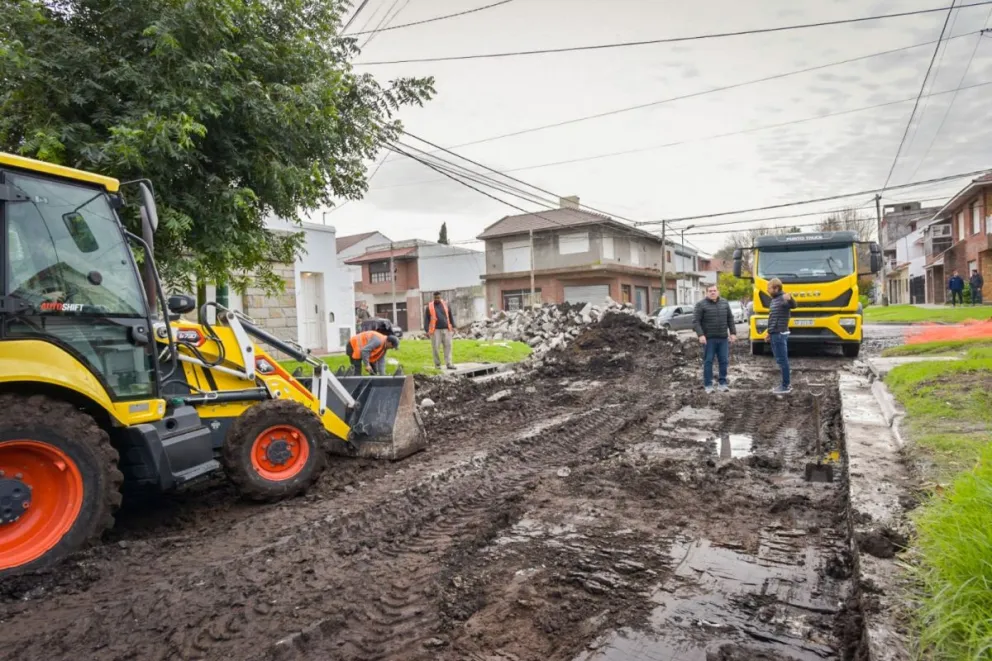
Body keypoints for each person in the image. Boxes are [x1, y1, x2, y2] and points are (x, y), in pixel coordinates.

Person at [692, 284, 737, 394]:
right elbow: (695, 322)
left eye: (714, 290)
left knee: (724, 361)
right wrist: (700, 335)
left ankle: (722, 383)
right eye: (710, 291)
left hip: (723, 339)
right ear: (706, 292)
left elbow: (730, 319)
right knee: (708, 362)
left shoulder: (725, 303)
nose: (713, 292)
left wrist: (733, 333)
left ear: (718, 292)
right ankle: (708, 385)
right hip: (709, 340)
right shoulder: (700, 305)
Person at [766, 278, 797, 395]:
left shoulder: (783, 298)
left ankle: (786, 385)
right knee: (780, 359)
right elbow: (772, 318)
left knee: (782, 360)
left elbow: (794, 306)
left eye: (769, 288)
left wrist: (791, 299)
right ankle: (785, 382)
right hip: (774, 333)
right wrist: (769, 332)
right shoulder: (774, 300)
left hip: (780, 333)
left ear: (776, 288)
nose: (767, 290)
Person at [424, 291, 456, 370]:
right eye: (435, 298)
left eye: (438, 298)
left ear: (440, 297)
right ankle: (437, 365)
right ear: (433, 298)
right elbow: (426, 319)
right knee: (435, 348)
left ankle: (449, 363)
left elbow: (450, 316)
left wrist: (454, 326)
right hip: (435, 331)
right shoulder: (429, 307)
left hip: (446, 329)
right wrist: (427, 330)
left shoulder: (446, 305)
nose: (437, 299)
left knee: (448, 346)